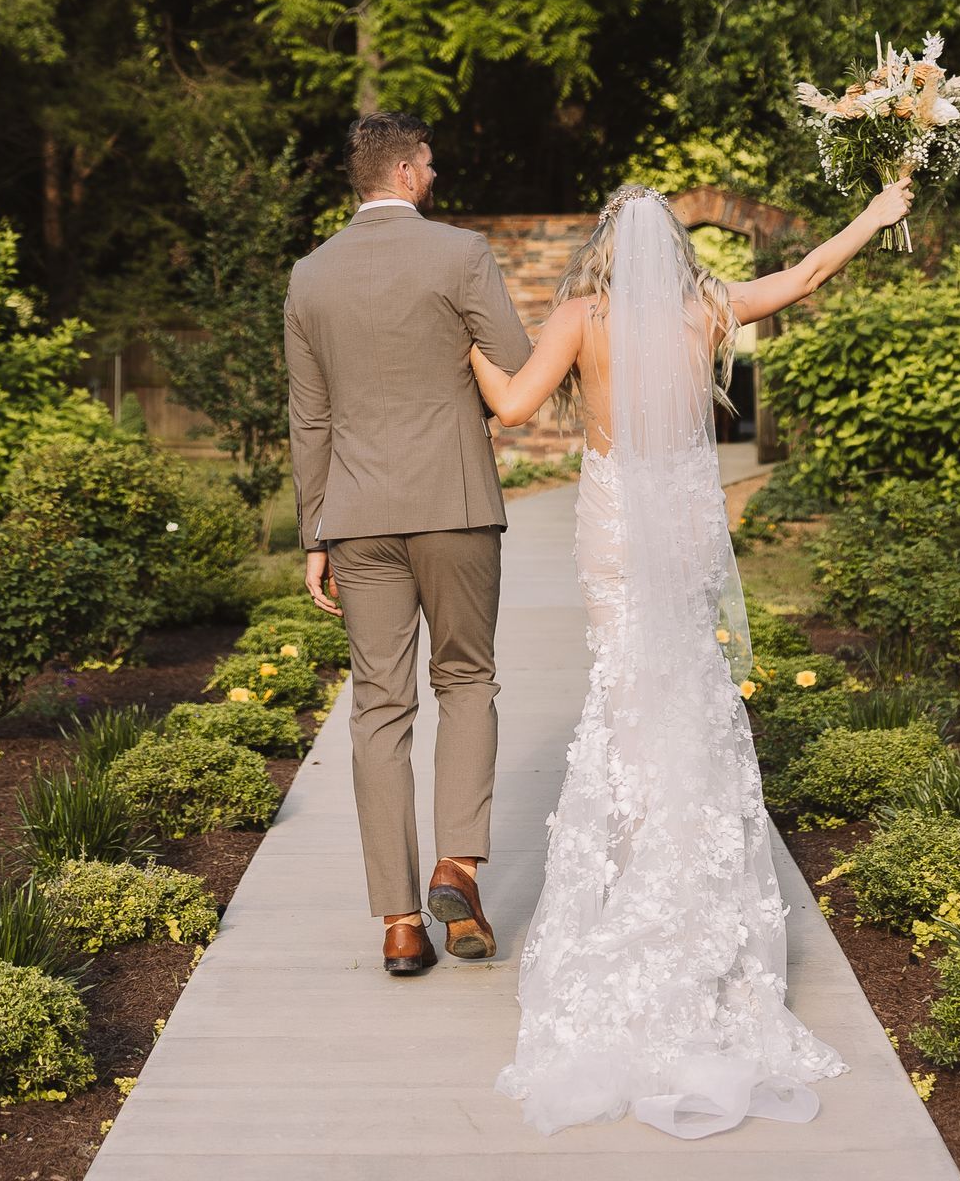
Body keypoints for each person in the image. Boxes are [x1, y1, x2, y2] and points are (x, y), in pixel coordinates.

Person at [469, 177, 913, 1137]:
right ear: (675, 245)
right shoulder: (706, 308)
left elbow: (510, 406)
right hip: (685, 520)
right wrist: (876, 216)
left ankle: (640, 875)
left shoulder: (582, 316)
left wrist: (460, 336)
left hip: (615, 525)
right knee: (689, 690)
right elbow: (805, 275)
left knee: (626, 694)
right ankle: (692, 884)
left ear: (603, 247)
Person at [283, 111, 534, 976]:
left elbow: (309, 416)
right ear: (402, 172)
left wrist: (315, 533)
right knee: (465, 678)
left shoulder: (310, 276)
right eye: (427, 163)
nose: (433, 173)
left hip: (355, 513)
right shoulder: (460, 254)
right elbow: (514, 355)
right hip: (454, 504)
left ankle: (398, 923)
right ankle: (456, 868)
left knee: (378, 706)